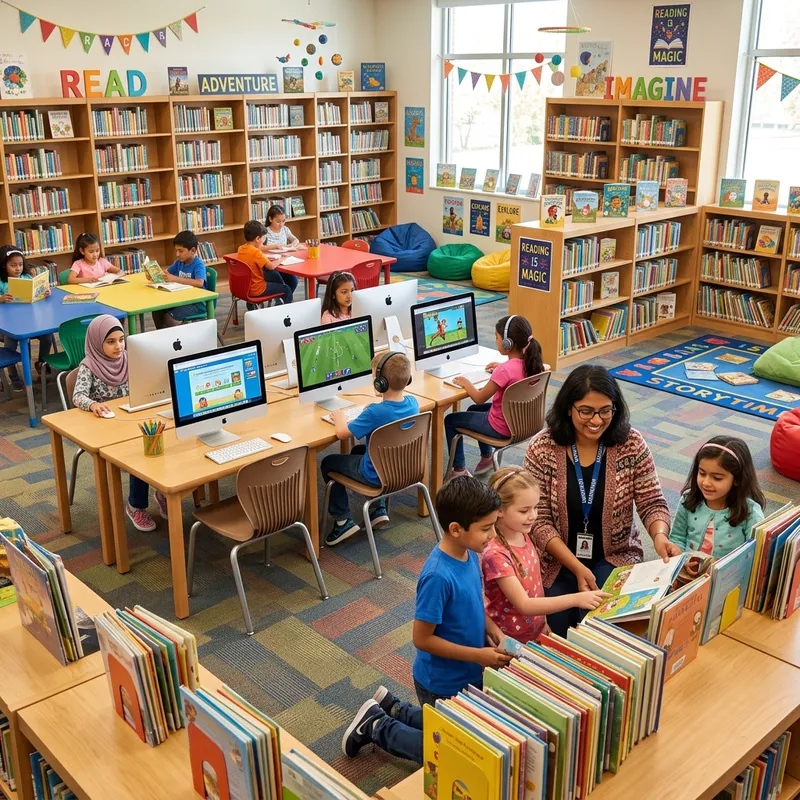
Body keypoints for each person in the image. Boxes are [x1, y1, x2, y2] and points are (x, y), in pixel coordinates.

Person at [340, 476, 512, 764]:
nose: (493, 534)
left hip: (467, 673)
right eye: (486, 528)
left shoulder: (469, 554)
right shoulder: (437, 576)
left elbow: (472, 603)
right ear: (456, 529)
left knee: (456, 728)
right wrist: (478, 655)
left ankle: (392, 707)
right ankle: (377, 726)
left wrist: (494, 630)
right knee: (448, 753)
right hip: (440, 682)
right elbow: (422, 639)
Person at [524, 364, 676, 636]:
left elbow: (651, 500)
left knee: (599, 627)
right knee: (551, 630)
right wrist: (577, 566)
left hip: (614, 557)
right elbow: (539, 521)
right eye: (586, 411)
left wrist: (660, 536)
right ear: (568, 407)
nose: (596, 420)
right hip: (556, 561)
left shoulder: (631, 444)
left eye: (605, 411)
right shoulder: (542, 447)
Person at [483, 467, 609, 643]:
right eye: (524, 511)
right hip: (509, 639)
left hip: (533, 630)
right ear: (500, 510)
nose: (533, 516)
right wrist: (576, 599)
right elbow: (524, 604)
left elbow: (535, 587)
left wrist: (543, 624)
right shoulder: (496, 554)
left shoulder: (522, 533)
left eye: (535, 507)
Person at [72, 315, 166, 532]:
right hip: (105, 426)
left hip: (131, 418)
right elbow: (77, 395)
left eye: (121, 340)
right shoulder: (89, 366)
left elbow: (147, 380)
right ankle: (136, 505)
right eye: (111, 341)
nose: (118, 346)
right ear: (97, 342)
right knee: (138, 455)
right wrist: (92, 404)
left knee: (160, 439)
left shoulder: (129, 357)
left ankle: (163, 492)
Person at [320, 352, 418, 545]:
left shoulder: (375, 412)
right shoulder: (413, 403)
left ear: (380, 383)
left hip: (376, 475)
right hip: (403, 469)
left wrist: (339, 418)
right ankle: (378, 509)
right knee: (358, 451)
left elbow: (342, 433)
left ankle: (343, 521)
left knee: (328, 463)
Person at [445, 315, 545, 479]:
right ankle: (487, 457)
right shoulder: (532, 363)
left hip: (502, 427)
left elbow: (479, 397)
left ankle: (459, 469)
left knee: (451, 420)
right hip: (524, 422)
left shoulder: (505, 370)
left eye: (497, 337)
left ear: (508, 343)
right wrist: (501, 369)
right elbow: (514, 373)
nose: (496, 340)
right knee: (473, 410)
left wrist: (466, 383)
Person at [670, 436, 766, 557]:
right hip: (688, 572)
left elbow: (755, 554)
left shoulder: (750, 512)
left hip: (731, 574)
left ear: (737, 479)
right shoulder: (688, 499)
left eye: (717, 478)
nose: (706, 483)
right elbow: (677, 537)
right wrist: (681, 558)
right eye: (702, 473)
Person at [0, 246, 54, 388]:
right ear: (4, 265)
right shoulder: (1, 282)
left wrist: (45, 292)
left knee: (47, 336)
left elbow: (37, 291)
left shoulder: (27, 277)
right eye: (13, 265)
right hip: (10, 323)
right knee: (10, 346)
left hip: (31, 319)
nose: (17, 268)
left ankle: (42, 362)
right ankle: (14, 376)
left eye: (20, 264)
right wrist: (1, 298)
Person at [152, 230, 207, 328]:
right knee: (157, 310)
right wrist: (154, 274)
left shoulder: (198, 264)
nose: (177, 254)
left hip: (196, 304)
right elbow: (167, 273)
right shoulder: (179, 262)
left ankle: (180, 340)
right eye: (176, 250)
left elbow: (199, 282)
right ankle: (164, 338)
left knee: (170, 317)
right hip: (182, 299)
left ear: (193, 250)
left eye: (181, 251)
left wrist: (174, 279)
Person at [236, 220, 293, 306]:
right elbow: (271, 266)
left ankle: (255, 304)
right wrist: (282, 258)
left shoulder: (241, 249)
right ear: (257, 239)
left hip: (245, 288)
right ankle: (287, 313)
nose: (263, 241)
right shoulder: (256, 252)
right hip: (258, 289)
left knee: (273, 276)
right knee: (286, 289)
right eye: (263, 239)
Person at [259, 205, 300, 298]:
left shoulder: (285, 230)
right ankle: (282, 298)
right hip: (271, 265)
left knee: (294, 279)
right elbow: (260, 247)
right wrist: (276, 246)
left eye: (283, 221)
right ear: (270, 219)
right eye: (278, 221)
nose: (281, 224)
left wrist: (291, 245)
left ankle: (284, 298)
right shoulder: (265, 232)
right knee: (282, 280)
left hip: (284, 262)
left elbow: (296, 240)